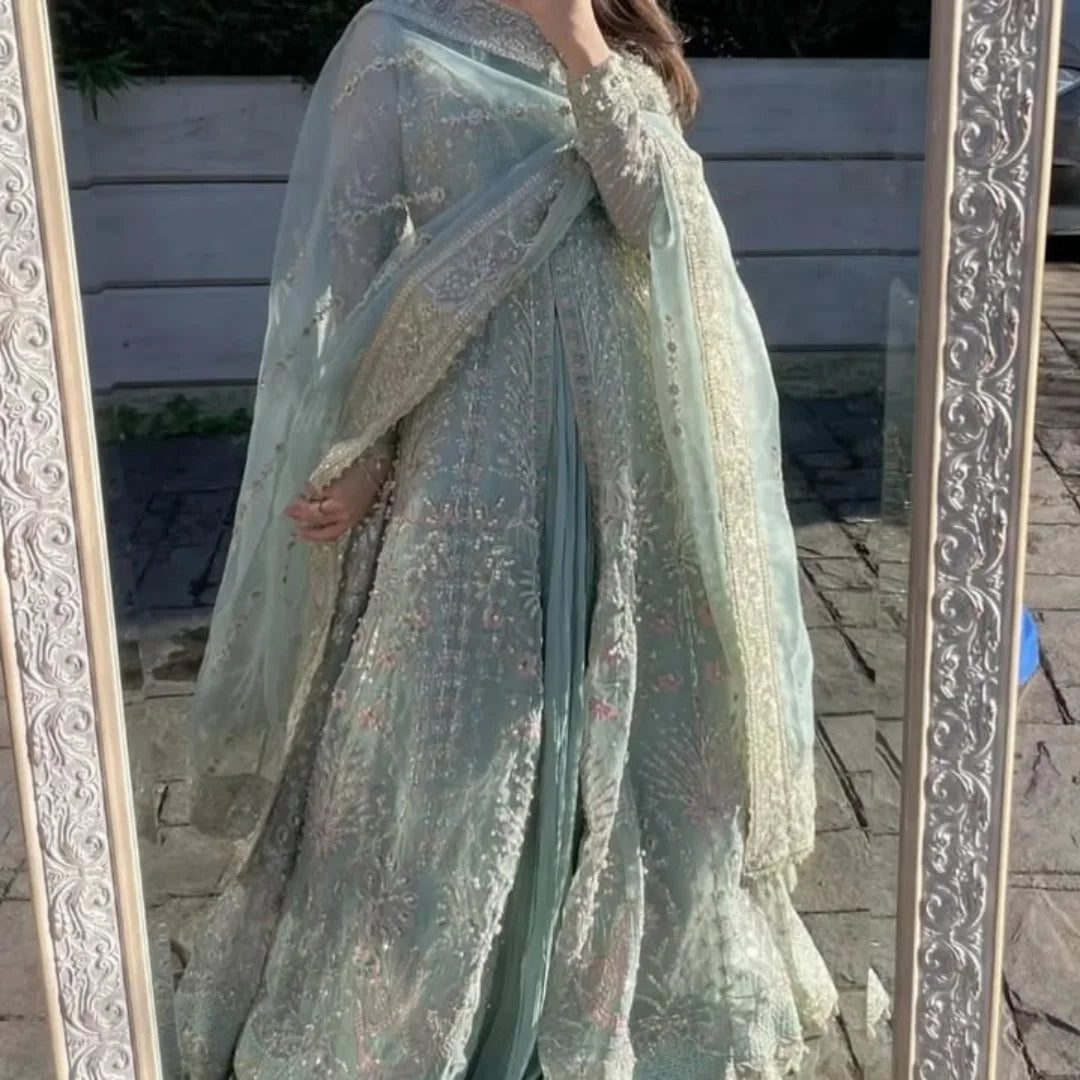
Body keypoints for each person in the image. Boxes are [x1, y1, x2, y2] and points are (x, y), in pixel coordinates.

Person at [171, 0, 838, 1075]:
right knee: (466, 726)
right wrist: (366, 449)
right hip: (470, 450)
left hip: (630, 454)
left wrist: (576, 35)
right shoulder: (396, 39)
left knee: (637, 713)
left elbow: (654, 220)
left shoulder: (611, 37)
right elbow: (359, 279)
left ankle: (623, 1006)